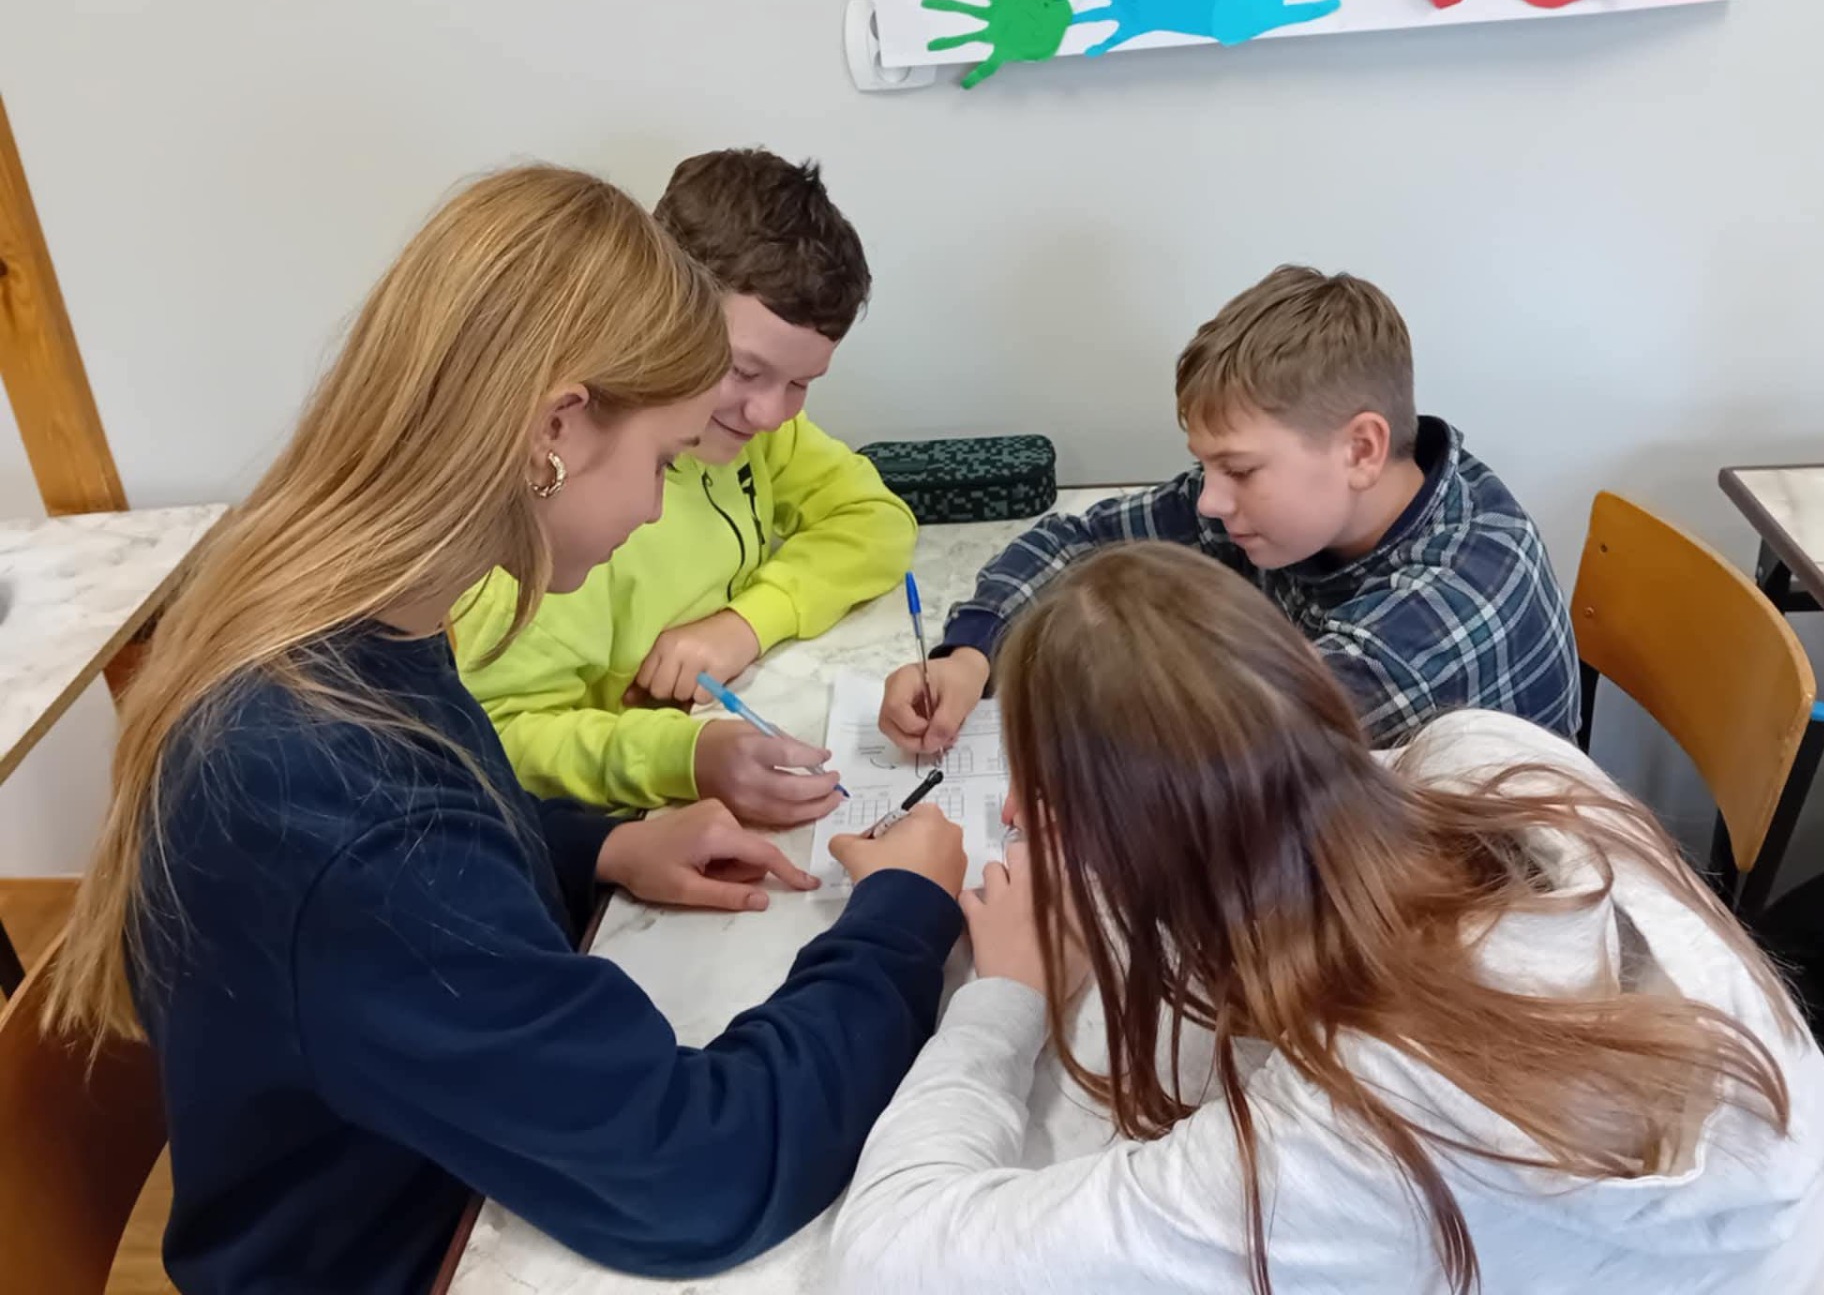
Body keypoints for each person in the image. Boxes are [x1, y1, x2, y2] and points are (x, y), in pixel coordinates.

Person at [43, 166, 968, 1295]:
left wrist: (599, 843)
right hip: (403, 1257)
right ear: (556, 431)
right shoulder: (337, 800)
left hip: (437, 1172)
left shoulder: (351, 623)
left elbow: (434, 820)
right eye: (665, 461)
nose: (653, 506)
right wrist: (900, 920)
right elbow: (695, 1173)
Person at [833, 543, 1824, 1295]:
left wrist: (1006, 994)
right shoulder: (1489, 754)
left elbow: (890, 1256)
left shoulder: (1359, 1134)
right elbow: (1259, 805)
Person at [880, 264, 1579, 754]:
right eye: (1207, 466)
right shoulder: (1318, 501)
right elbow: (1074, 542)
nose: (1211, 500)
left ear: (1361, 449)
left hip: (1489, 900)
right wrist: (970, 655)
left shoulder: (1446, 612)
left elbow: (1216, 754)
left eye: (1239, 470)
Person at [455, 149, 914, 826]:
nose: (769, 414)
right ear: (661, 317)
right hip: (617, 831)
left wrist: (747, 624)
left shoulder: (756, 430)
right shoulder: (554, 506)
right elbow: (498, 737)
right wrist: (679, 756)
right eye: (743, 371)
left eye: (800, 383)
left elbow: (876, 520)